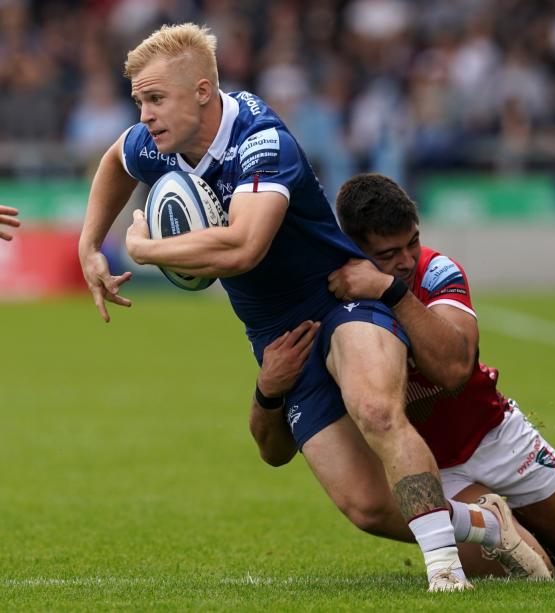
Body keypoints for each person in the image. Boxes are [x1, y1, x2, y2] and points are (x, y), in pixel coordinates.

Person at [77, 23, 469, 592]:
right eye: (140, 101)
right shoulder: (157, 139)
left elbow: (244, 247)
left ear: (203, 92)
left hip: (339, 300)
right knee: (365, 506)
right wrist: (89, 243)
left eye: (155, 99)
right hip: (278, 337)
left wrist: (142, 248)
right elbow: (116, 159)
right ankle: (485, 524)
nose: (145, 116)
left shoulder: (260, 140)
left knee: (377, 411)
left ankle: (447, 572)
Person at [250, 173, 555, 573]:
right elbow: (274, 453)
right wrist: (268, 392)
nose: (407, 260)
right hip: (430, 472)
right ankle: (523, 532)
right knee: (538, 566)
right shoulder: (322, 307)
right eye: (388, 253)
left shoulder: (435, 272)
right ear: (352, 250)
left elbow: (453, 370)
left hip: (493, 436)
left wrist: (389, 290)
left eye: (412, 242)